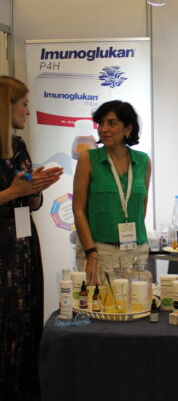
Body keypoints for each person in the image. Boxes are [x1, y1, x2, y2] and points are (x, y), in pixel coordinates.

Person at [0, 76, 63, 401]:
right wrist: (13, 191)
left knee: (26, 320)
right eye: (23, 104)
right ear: (5, 106)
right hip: (3, 248)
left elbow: (31, 203)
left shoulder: (19, 146)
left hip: (23, 244)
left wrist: (36, 188)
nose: (27, 111)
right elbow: (12, 194)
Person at [73, 100, 151, 281]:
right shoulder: (88, 158)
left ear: (128, 128)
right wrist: (90, 252)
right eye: (101, 123)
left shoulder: (143, 161)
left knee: (135, 298)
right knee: (99, 299)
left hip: (135, 251)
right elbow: (78, 210)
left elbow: (142, 207)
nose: (103, 129)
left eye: (112, 123)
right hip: (99, 251)